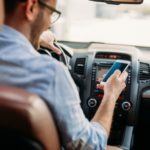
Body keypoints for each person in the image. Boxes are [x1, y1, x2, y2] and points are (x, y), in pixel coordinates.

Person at [0, 0, 127, 149]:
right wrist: (111, 94)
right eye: (51, 13)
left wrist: (34, 37)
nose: (50, 24)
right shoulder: (50, 73)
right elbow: (91, 146)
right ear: (31, 7)